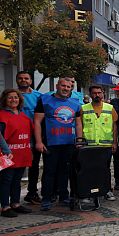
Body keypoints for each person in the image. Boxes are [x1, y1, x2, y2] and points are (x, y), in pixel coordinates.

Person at [34, 77, 82, 211]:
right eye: (63, 85)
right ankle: (46, 198)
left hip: (69, 143)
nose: (66, 88)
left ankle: (63, 196)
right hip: (51, 142)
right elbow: (37, 121)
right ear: (57, 86)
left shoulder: (75, 103)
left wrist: (79, 139)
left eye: (68, 86)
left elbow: (78, 123)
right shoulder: (44, 100)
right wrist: (39, 141)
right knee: (49, 171)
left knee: (65, 171)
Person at [76, 85, 118, 201]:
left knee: (105, 169)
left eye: (99, 93)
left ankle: (107, 190)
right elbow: (79, 125)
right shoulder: (83, 108)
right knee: (88, 170)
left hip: (105, 145)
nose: (97, 95)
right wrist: (80, 141)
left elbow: (114, 126)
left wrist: (114, 142)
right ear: (90, 94)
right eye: (94, 93)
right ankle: (88, 193)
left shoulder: (110, 108)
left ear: (103, 93)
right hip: (88, 146)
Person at [0, 89, 33, 217]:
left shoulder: (23, 115)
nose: (13, 100)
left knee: (17, 180)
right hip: (8, 154)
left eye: (16, 97)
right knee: (6, 180)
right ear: (5, 100)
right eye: (10, 97)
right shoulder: (2, 115)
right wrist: (6, 150)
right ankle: (5, 206)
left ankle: (15, 203)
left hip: (22, 153)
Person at [16, 71, 43, 204]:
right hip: (16, 137)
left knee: (34, 165)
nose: (23, 80)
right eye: (20, 78)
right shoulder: (12, 96)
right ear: (17, 80)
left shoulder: (38, 96)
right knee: (16, 166)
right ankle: (13, 197)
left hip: (34, 135)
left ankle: (32, 193)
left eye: (26, 78)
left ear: (31, 81)